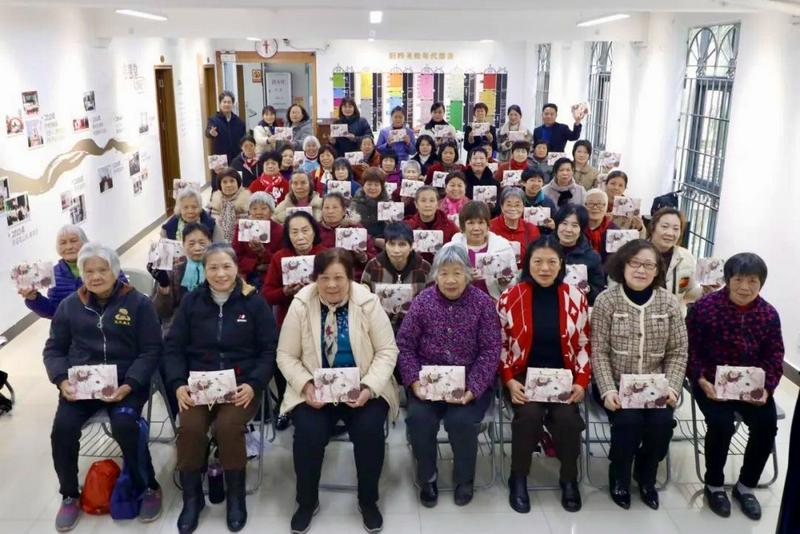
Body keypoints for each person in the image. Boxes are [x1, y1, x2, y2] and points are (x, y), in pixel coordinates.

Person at [277, 249, 399, 534]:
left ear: (351, 278)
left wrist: (369, 387)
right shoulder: (300, 304)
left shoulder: (367, 302)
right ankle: (306, 501)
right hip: (315, 389)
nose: (332, 285)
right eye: (324, 278)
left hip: (363, 387)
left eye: (338, 278)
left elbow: (386, 351)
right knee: (307, 431)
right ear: (314, 279)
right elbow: (285, 355)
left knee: (369, 431)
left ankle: (368, 500)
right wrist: (306, 386)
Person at [43, 243, 163, 531]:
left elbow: (150, 350)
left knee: (125, 423)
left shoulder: (139, 303)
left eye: (102, 269)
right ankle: (70, 494)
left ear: (115, 270)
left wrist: (130, 384)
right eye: (89, 271)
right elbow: (53, 350)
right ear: (82, 275)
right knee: (62, 430)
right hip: (81, 387)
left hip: (125, 383)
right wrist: (61, 381)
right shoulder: (70, 305)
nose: (96, 276)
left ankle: (148, 486)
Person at [165, 243, 277, 534]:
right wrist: (178, 385)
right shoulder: (191, 302)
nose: (220, 273)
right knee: (189, 427)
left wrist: (254, 384)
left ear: (236, 268)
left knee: (228, 426)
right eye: (212, 267)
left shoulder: (253, 302)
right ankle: (192, 499)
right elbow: (173, 348)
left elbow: (269, 350)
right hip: (198, 386)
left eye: (226, 266)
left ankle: (235, 497)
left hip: (240, 386)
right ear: (204, 270)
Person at [398, 243, 502, 507]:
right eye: (444, 273)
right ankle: (427, 478)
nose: (451, 280)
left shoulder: (482, 304)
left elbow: (491, 350)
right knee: (419, 419)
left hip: (468, 384)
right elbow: (405, 345)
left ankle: (464, 479)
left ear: (468, 274)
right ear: (435, 275)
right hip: (427, 383)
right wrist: (414, 382)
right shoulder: (423, 302)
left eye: (457, 272)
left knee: (462, 422)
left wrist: (473, 388)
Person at [590, 239, 688, 511]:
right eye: (635, 263)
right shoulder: (606, 301)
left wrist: (673, 388)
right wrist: (608, 389)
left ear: (657, 270)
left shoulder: (668, 303)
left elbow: (678, 351)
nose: (641, 270)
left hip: (657, 387)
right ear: (623, 265)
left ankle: (646, 475)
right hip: (616, 386)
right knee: (629, 423)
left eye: (648, 265)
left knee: (661, 425)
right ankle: (619, 473)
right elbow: (598, 351)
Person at [686, 253, 784, 521]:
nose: (744, 287)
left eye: (752, 281)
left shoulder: (768, 314)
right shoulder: (704, 308)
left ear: (761, 283)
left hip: (751, 387)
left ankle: (746, 486)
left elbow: (775, 356)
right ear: (727, 280)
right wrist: (701, 379)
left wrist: (767, 388)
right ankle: (714, 484)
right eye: (738, 279)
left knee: (766, 425)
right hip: (710, 382)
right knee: (721, 424)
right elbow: (690, 351)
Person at [497, 236, 590, 514]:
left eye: (552, 261)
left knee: (567, 420)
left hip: (564, 378)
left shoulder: (576, 297)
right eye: (538, 261)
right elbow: (500, 345)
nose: (545, 268)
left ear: (561, 264)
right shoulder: (510, 297)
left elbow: (584, 343)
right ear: (528, 264)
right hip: (522, 376)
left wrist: (581, 382)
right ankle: (519, 476)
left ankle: (569, 478)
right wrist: (509, 380)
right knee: (529, 415)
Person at [261, 212, 328, 430]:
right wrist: (285, 291)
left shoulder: (325, 255)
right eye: (294, 231)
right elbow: (268, 294)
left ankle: (325, 401)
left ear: (314, 232)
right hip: (289, 319)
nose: (300, 236)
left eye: (305, 230)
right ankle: (285, 405)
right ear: (288, 235)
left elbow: (340, 287)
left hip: (322, 318)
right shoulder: (280, 257)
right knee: (284, 361)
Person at [19, 225, 116, 319]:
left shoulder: (105, 263)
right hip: (72, 331)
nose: (69, 247)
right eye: (63, 243)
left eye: (73, 241)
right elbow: (54, 312)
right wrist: (34, 299)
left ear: (85, 242)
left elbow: (124, 296)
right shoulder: (55, 274)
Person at [361, 222, 432, 335]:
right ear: (385, 244)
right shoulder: (373, 266)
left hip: (415, 331)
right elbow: (364, 301)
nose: (396, 250)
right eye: (392, 244)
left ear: (411, 245)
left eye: (402, 244)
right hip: (378, 330)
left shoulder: (424, 268)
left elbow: (431, 305)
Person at [150, 222, 212, 333]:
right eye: (191, 244)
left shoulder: (217, 269)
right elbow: (161, 312)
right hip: (178, 327)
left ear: (211, 243)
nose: (197, 248)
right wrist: (164, 287)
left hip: (211, 323)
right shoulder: (172, 271)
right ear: (183, 245)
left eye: (202, 243)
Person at [451, 200, 516, 300]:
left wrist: (505, 281)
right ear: (463, 226)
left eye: (481, 222)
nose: (476, 228)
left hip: (493, 304)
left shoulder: (502, 247)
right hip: (459, 304)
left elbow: (513, 286)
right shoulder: (451, 249)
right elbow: (442, 281)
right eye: (471, 223)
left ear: (488, 225)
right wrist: (465, 278)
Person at [648, 207, 703, 317]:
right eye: (664, 227)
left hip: (674, 322)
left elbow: (687, 291)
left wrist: (704, 291)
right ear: (653, 227)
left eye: (676, 228)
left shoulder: (686, 257)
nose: (670, 233)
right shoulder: (634, 252)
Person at [554, 205, 605, 304]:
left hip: (578, 308)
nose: (568, 229)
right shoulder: (542, 249)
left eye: (575, 225)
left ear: (582, 229)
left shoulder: (592, 257)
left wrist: (587, 289)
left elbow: (599, 294)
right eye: (564, 223)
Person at [232, 193, 285, 290]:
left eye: (263, 208)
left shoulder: (279, 230)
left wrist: (263, 252)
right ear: (249, 211)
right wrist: (255, 265)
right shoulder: (242, 227)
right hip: (246, 274)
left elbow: (281, 258)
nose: (258, 212)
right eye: (254, 209)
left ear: (271, 211)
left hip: (270, 275)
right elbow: (235, 255)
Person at [318, 193, 375, 281]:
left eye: (335, 207)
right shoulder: (315, 230)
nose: (330, 211)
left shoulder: (356, 229)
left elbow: (373, 259)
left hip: (353, 278)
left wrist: (362, 257)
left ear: (344, 211)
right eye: (326, 208)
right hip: (323, 277)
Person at [403, 186, 460, 262]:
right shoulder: (407, 226)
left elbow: (459, 252)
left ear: (437, 204)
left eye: (432, 200)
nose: (428, 205)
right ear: (416, 204)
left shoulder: (450, 226)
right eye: (423, 201)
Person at [205, 91, 246, 191]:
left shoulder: (239, 122)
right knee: (217, 185)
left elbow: (243, 140)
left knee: (234, 182)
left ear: (233, 104)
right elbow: (208, 132)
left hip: (235, 156)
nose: (227, 104)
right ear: (220, 104)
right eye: (224, 102)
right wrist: (211, 132)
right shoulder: (213, 120)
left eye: (229, 102)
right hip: (219, 157)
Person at [489, 188, 542, 262]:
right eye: (509, 205)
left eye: (517, 205)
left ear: (523, 207)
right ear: (501, 206)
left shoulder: (531, 229)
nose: (513, 209)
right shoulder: (490, 227)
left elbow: (537, 256)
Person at [207, 167, 251, 242]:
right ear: (220, 185)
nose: (228, 185)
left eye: (232, 181)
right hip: (217, 246)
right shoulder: (212, 205)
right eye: (224, 182)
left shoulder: (249, 203)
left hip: (242, 246)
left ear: (238, 183)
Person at [351, 168, 391, 247]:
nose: (372, 188)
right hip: (361, 243)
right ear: (363, 185)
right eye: (369, 184)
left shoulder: (388, 205)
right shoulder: (354, 204)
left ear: (382, 186)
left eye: (376, 185)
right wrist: (374, 241)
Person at [583, 188, 618, 261]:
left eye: (600, 204)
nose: (595, 207)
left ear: (606, 206)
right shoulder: (578, 227)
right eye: (591, 203)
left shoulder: (614, 230)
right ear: (585, 205)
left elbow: (615, 259)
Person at [520, 168, 557, 232]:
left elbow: (556, 223)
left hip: (542, 237)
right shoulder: (517, 200)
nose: (536, 184)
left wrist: (553, 225)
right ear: (523, 183)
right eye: (532, 180)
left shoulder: (548, 201)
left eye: (539, 181)